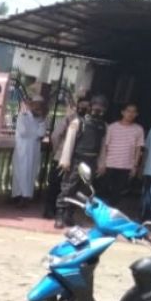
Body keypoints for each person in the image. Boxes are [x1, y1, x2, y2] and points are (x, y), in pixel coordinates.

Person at [57, 96, 107, 227]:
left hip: (91, 161)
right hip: (76, 160)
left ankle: (69, 215)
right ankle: (60, 216)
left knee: (83, 190)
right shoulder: (78, 122)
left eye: (101, 109)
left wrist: (101, 164)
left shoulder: (103, 126)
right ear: (90, 108)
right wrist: (65, 161)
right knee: (68, 188)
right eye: (96, 108)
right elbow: (69, 141)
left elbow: (103, 146)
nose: (98, 112)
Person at [98, 102, 145, 208]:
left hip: (126, 166)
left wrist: (135, 166)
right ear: (122, 112)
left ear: (137, 114)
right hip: (110, 164)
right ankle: (99, 212)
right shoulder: (112, 127)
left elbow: (138, 149)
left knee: (117, 192)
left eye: (134, 112)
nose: (131, 114)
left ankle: (111, 213)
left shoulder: (139, 129)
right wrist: (102, 163)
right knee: (103, 189)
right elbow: (105, 146)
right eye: (128, 111)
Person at [11, 100, 46, 204]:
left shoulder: (40, 120)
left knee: (30, 172)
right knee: (19, 172)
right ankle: (18, 195)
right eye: (36, 108)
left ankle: (26, 196)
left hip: (33, 150)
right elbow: (22, 132)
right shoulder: (23, 116)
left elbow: (41, 134)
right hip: (22, 149)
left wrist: (40, 124)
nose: (37, 111)